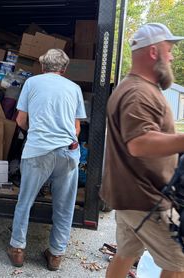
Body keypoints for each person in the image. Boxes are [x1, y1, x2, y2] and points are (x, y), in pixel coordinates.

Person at [99, 23, 184, 278]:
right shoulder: (138, 92)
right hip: (147, 199)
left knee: (125, 254)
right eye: (168, 50)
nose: (172, 56)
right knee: (178, 262)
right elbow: (139, 143)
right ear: (153, 52)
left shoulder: (134, 87)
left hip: (130, 196)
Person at [6, 48, 86, 271]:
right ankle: (55, 255)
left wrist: (38, 133)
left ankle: (18, 249)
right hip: (68, 151)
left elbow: (21, 120)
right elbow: (77, 127)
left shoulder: (32, 83)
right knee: (64, 206)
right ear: (64, 69)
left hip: (38, 150)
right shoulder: (75, 88)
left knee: (26, 201)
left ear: (42, 67)